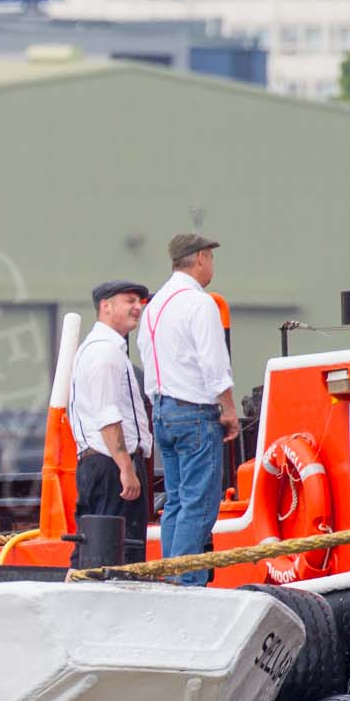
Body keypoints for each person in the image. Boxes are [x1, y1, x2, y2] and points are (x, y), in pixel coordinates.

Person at [141, 232, 238, 586]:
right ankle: (182, 583)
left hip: (163, 412)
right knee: (199, 503)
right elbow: (214, 363)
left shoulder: (153, 307)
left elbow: (149, 362)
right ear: (200, 259)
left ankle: (176, 573)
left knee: (178, 501)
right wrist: (227, 408)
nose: (212, 263)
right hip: (195, 413)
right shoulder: (200, 304)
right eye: (210, 256)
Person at [68, 279, 152, 564]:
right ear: (106, 307)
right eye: (129, 301)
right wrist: (126, 468)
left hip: (103, 465)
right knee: (113, 552)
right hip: (110, 465)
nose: (137, 307)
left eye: (138, 302)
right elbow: (107, 417)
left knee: (97, 549)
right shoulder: (105, 353)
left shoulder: (102, 349)